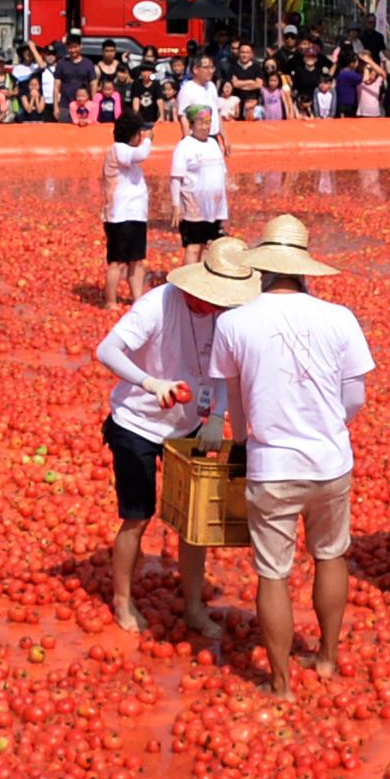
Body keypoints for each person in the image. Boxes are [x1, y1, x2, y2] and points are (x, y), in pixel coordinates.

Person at [205, 215, 374, 698]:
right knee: (330, 555)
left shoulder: (234, 323)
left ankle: (280, 684)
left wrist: (242, 444)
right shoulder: (339, 318)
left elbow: (234, 404)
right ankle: (325, 658)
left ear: (261, 270)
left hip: (272, 467)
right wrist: (327, 428)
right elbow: (355, 396)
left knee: (273, 574)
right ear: (303, 270)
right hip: (329, 462)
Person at [95, 234, 256, 636]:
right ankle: (122, 600)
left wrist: (218, 418)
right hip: (137, 423)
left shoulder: (228, 315)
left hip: (188, 425)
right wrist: (151, 383)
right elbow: (108, 350)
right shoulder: (157, 304)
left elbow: (222, 372)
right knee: (138, 517)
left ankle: (194, 607)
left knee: (195, 522)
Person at [101, 112, 153, 306]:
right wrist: (148, 140)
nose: (141, 137)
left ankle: (137, 299)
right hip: (119, 216)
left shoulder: (125, 152)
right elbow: (141, 154)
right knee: (117, 262)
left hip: (136, 214)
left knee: (136, 260)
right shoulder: (118, 149)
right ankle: (110, 301)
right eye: (139, 133)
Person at [169, 102, 228, 253]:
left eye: (208, 123)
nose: (205, 127)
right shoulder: (184, 145)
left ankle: (204, 276)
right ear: (191, 124)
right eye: (201, 123)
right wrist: (176, 205)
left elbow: (222, 173)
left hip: (214, 208)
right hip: (193, 207)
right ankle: (188, 276)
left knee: (209, 245)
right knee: (194, 247)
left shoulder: (213, 144)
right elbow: (176, 178)